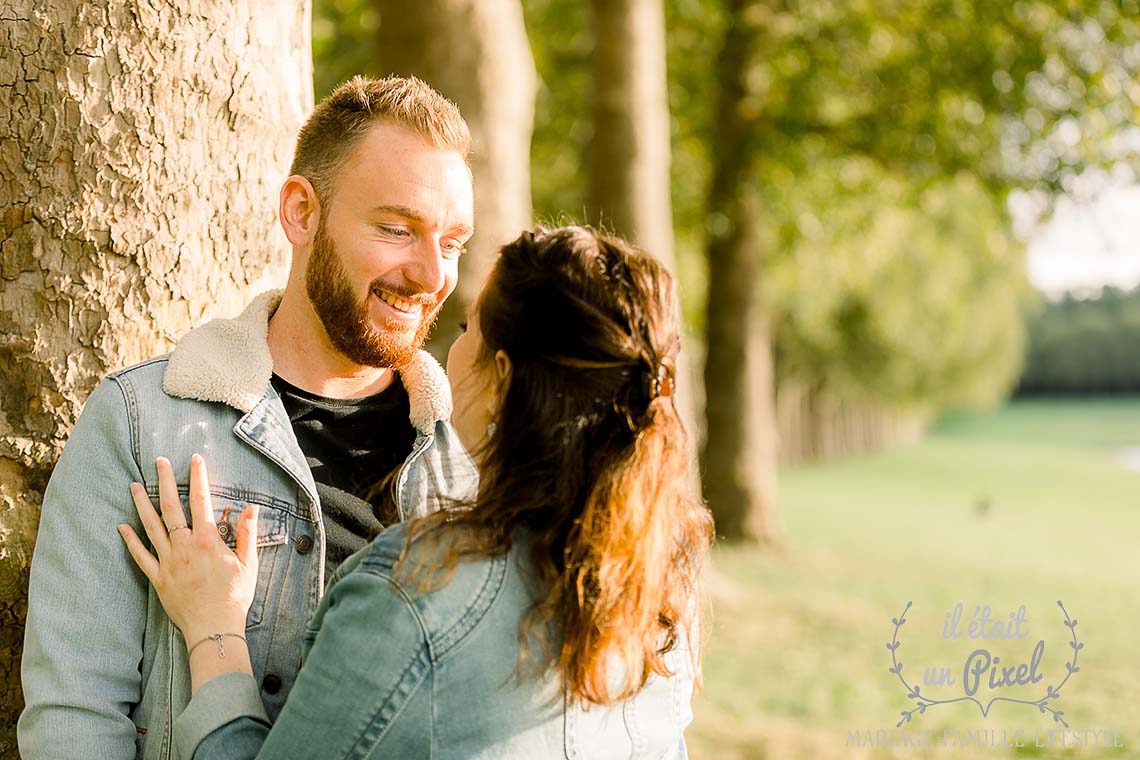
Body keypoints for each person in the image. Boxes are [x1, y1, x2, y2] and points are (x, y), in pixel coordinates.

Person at [119, 226, 715, 759]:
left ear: (501, 376)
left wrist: (214, 629)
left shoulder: (415, 589)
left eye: (467, 329)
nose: (445, 347)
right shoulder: (657, 590)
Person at [19, 75, 478, 760]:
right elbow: (74, 722)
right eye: (396, 228)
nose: (430, 273)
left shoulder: (466, 465)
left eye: (451, 243)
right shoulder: (145, 422)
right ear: (301, 213)